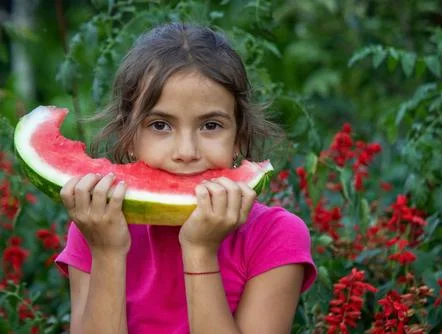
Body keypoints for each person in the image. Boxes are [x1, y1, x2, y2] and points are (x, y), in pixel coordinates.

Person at [55, 22, 317, 334]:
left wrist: (200, 252)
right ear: (129, 137)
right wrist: (107, 253)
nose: (186, 151)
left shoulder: (275, 235)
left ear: (239, 138)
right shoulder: (95, 226)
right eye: (160, 125)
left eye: (211, 125)